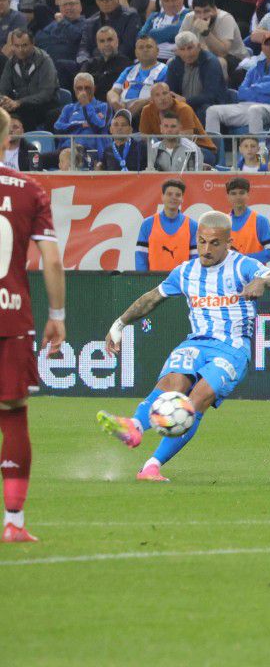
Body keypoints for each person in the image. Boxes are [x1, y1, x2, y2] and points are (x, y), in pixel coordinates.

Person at [98, 210, 270, 481]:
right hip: (197, 342)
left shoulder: (243, 266)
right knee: (173, 383)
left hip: (232, 348)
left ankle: (152, 466)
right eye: (201, 241)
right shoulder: (185, 271)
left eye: (214, 243)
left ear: (228, 243)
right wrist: (118, 325)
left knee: (197, 398)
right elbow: (152, 298)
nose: (206, 249)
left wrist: (262, 280)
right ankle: (135, 426)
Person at [0, 107, 65, 543]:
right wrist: (57, 316)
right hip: (12, 313)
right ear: (9, 137)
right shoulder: (29, 188)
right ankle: (15, 523)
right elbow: (53, 260)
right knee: (13, 413)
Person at [207, 33, 270, 139]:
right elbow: (242, 93)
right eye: (267, 44)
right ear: (262, 48)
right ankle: (214, 154)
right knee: (212, 111)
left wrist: (254, 87)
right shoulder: (254, 68)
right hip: (247, 106)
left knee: (255, 110)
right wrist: (265, 91)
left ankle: (259, 156)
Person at [0, 29, 58, 131]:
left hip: (46, 104)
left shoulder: (44, 61)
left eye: (24, 45)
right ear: (12, 45)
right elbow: (3, 89)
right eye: (16, 46)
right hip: (21, 104)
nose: (20, 50)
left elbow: (47, 94)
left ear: (32, 43)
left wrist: (19, 102)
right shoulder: (11, 63)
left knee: (26, 113)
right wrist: (5, 101)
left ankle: (27, 145)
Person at [109, 36, 169, 118]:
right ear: (136, 53)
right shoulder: (128, 70)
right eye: (141, 47)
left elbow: (166, 96)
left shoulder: (165, 70)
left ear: (157, 51)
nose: (145, 50)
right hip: (122, 112)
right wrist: (115, 102)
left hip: (149, 113)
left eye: (149, 46)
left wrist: (142, 103)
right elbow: (113, 91)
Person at [225, 176, 270, 262]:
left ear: (248, 195)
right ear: (228, 197)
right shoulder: (223, 222)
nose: (238, 197)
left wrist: (243, 259)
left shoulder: (260, 221)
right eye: (233, 193)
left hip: (254, 274)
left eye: (241, 193)